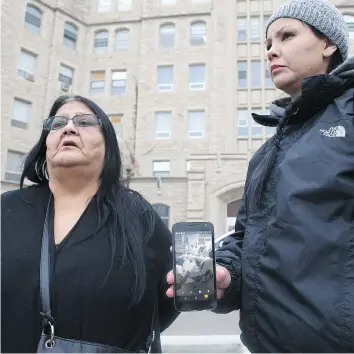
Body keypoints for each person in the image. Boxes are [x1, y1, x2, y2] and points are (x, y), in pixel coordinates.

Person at [167, 0, 354, 352]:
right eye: (267, 43)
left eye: (286, 36)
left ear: (329, 44)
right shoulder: (267, 153)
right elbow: (247, 238)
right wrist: (226, 273)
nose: (272, 51)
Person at [1, 95, 179, 352]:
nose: (69, 128)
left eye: (84, 122)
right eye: (57, 123)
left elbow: (167, 298)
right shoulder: (8, 209)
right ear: (46, 144)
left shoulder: (138, 215)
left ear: (108, 144)